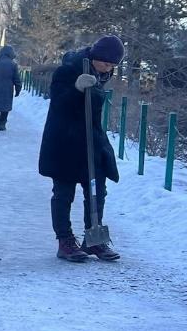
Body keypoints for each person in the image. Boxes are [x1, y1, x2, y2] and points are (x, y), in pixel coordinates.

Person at [38, 35, 124, 263]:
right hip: (65, 142)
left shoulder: (101, 75)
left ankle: (94, 239)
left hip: (91, 141)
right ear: (95, 56)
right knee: (64, 193)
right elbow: (58, 103)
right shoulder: (66, 71)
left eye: (112, 66)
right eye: (105, 63)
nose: (108, 69)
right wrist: (76, 89)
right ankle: (65, 241)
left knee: (97, 190)